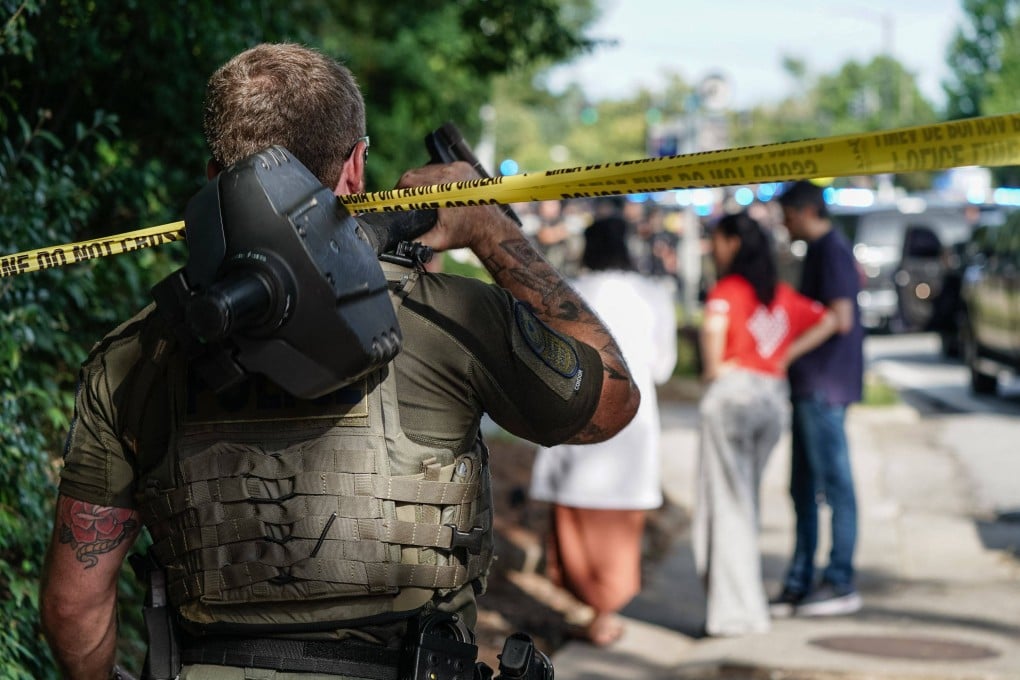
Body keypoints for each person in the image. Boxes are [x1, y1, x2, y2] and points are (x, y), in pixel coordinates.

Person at [39, 43, 640, 680]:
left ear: (214, 176)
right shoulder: (453, 319)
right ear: (355, 168)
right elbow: (610, 403)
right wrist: (494, 233)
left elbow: (75, 606)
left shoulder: (136, 352)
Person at [529, 215, 677, 647]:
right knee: (620, 517)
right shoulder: (654, 294)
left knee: (577, 517)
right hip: (633, 416)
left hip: (579, 412)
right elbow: (663, 366)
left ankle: (594, 613)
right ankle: (605, 612)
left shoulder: (573, 292)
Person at [693, 211, 837, 637]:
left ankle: (733, 614)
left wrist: (717, 367)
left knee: (726, 505)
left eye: (716, 240)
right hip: (772, 400)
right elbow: (831, 319)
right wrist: (781, 358)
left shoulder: (726, 291)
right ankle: (746, 609)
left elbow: (712, 351)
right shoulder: (781, 294)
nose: (711, 248)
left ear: (733, 243)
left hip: (732, 398)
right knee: (746, 503)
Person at [771, 180, 866, 618]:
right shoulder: (821, 250)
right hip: (812, 386)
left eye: (787, 214)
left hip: (823, 387)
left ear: (805, 210)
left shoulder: (831, 250)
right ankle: (799, 582)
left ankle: (839, 581)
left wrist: (785, 353)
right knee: (803, 488)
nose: (783, 223)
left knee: (834, 486)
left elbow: (839, 318)